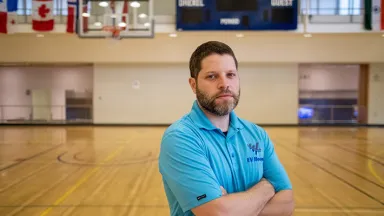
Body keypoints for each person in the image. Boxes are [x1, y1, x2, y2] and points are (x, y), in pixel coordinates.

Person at [158, 41, 294, 216]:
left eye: (230, 74)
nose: (224, 84)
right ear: (193, 85)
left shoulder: (257, 135)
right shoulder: (180, 138)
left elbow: (287, 205)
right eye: (212, 76)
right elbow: (218, 214)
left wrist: (233, 206)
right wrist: (266, 188)